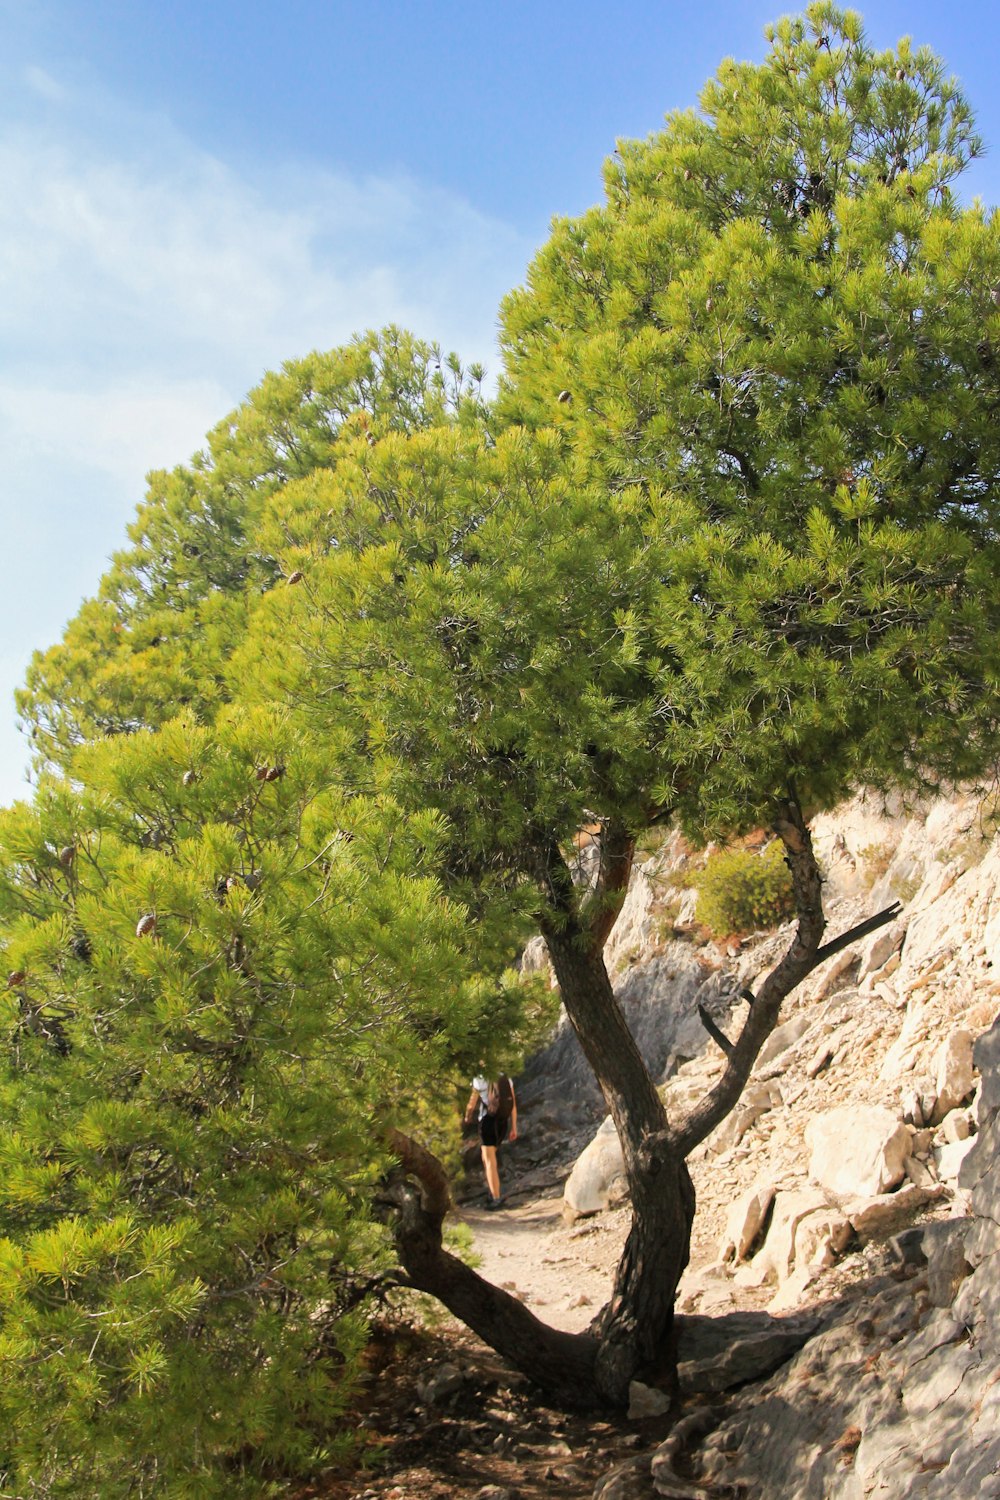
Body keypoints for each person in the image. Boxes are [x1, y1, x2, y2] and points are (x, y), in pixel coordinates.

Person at [464, 1071, 517, 1210]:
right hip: (503, 1123)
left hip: (488, 1122)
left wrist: (467, 1117)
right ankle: (494, 1191)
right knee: (488, 1158)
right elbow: (513, 1105)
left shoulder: (479, 1078)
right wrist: (514, 1128)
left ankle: (495, 1198)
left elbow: (472, 1103)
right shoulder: (505, 1076)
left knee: (489, 1162)